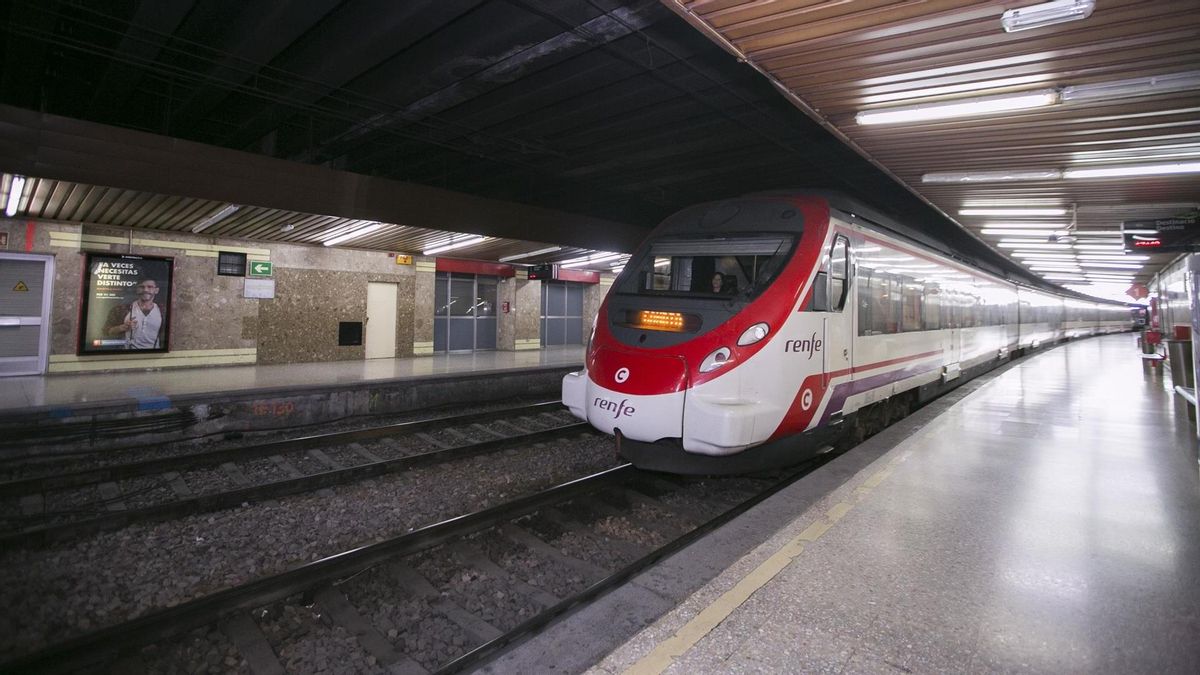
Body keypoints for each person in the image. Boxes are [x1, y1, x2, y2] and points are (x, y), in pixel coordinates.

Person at [105, 278, 166, 349]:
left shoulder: (163, 310)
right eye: (141, 287)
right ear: (137, 289)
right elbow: (106, 331)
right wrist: (121, 328)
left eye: (150, 287)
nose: (145, 290)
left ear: (156, 290)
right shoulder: (121, 309)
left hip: (154, 355)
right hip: (126, 355)